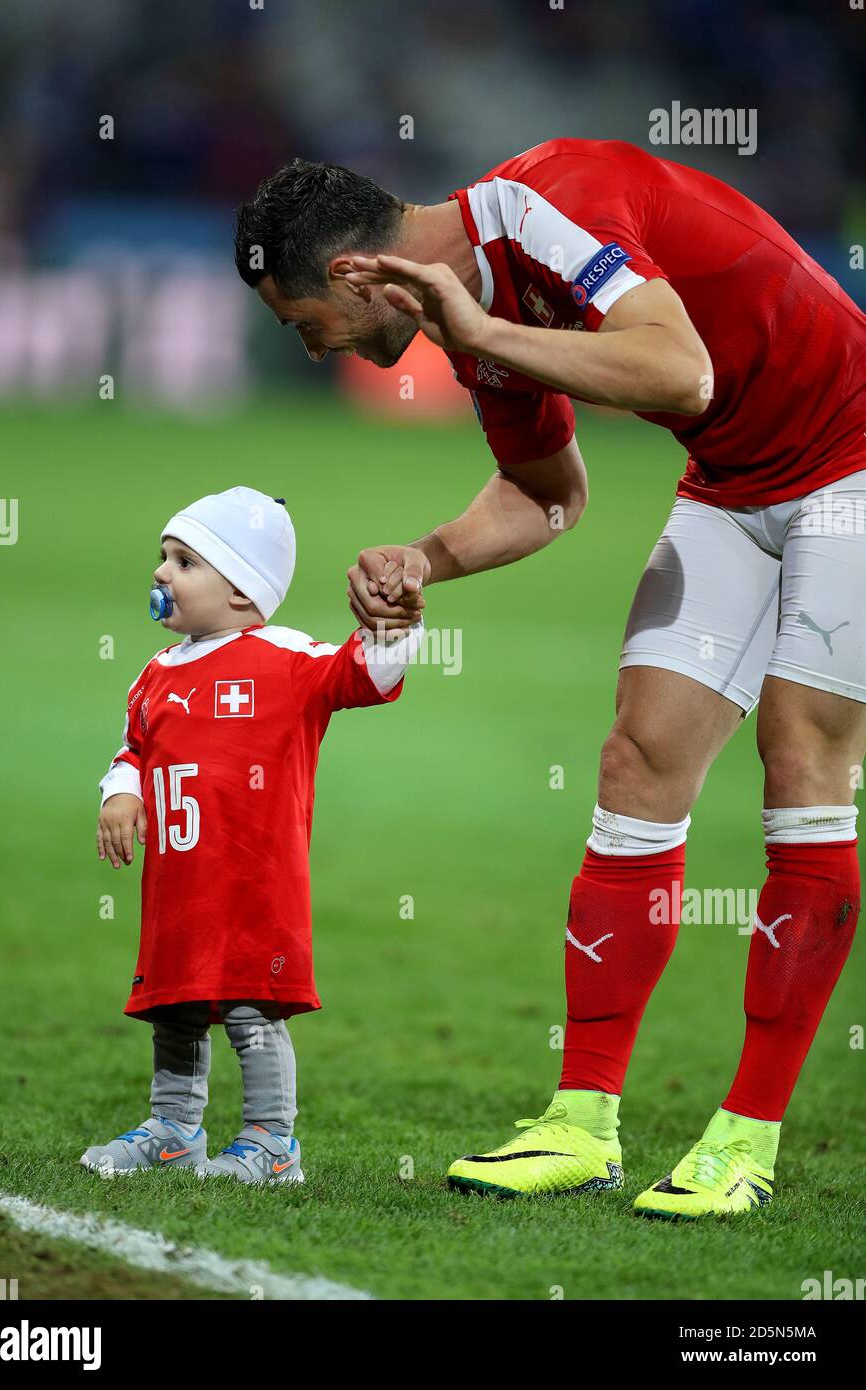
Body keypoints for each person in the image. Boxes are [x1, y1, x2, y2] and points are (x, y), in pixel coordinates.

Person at [235, 140, 865, 1217]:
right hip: (731, 483)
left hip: (852, 461)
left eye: (307, 326)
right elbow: (546, 493)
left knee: (799, 760)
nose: (313, 352)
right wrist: (421, 558)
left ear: (352, 275)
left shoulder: (541, 209)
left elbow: (682, 371)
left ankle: (745, 1137)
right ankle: (582, 1122)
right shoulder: (472, 326)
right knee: (637, 764)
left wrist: (480, 332)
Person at [88, 486, 423, 1182]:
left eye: (184, 561)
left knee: (250, 1010)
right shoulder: (155, 674)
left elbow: (360, 675)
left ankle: (272, 1142)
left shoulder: (283, 659)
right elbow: (133, 749)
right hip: (178, 886)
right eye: (163, 556)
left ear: (242, 591)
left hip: (252, 885)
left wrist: (391, 628)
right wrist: (120, 794)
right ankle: (174, 1128)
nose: (160, 573)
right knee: (174, 1007)